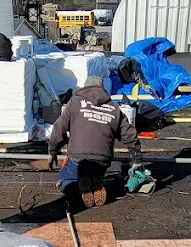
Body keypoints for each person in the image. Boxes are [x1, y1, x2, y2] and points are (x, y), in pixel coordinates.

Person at [47, 76, 141, 210]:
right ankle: (94, 182)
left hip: (77, 157)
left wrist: (53, 151)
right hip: (102, 159)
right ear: (103, 89)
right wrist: (137, 159)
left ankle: (77, 187)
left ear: (84, 88)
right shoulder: (114, 108)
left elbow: (59, 128)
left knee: (65, 180)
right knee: (94, 171)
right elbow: (129, 134)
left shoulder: (75, 102)